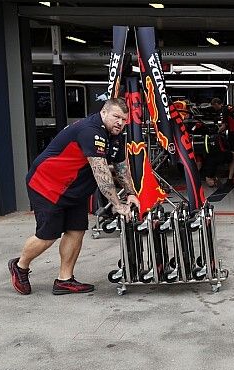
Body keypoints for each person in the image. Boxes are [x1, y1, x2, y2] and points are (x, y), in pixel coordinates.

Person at [8, 98, 140, 296]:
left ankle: (64, 280)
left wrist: (131, 194)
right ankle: (20, 266)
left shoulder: (115, 136)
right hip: (48, 185)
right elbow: (101, 172)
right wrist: (117, 205)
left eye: (124, 119)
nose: (120, 122)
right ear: (104, 113)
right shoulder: (91, 131)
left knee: (76, 230)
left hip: (74, 190)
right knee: (48, 235)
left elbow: (121, 167)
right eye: (116, 117)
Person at [210, 97, 234, 184]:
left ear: (216, 104)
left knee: (232, 153)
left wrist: (215, 132)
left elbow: (224, 126)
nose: (214, 109)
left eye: (213, 106)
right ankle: (233, 172)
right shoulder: (230, 107)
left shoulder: (224, 110)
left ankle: (232, 175)